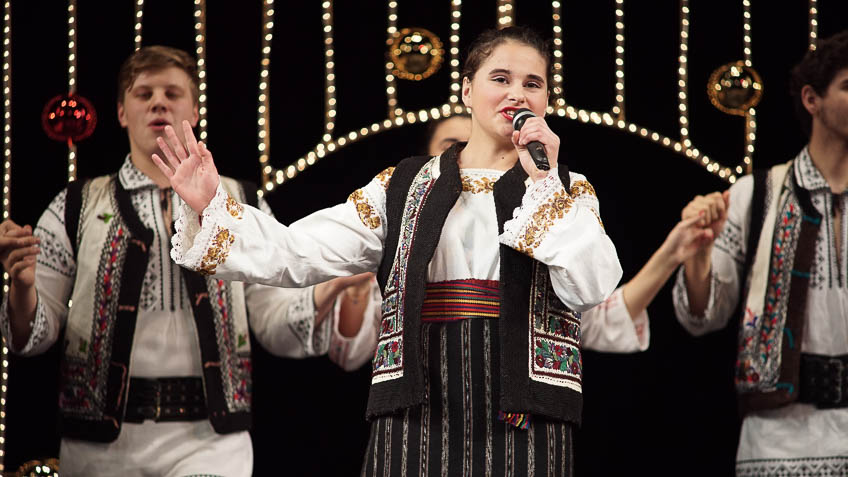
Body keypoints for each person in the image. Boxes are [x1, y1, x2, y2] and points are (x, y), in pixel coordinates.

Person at [155, 27, 700, 475]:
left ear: (546, 101)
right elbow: (298, 250)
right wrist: (213, 204)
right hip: (416, 409)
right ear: (466, 90)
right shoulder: (402, 186)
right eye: (500, 79)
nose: (517, 94)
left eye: (532, 84)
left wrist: (545, 180)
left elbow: (594, 284)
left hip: (525, 413)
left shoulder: (565, 190)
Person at [0, 46, 373, 476]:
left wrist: (329, 289)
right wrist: (22, 286)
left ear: (194, 112)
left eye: (172, 93)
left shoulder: (240, 201)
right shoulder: (76, 205)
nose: (158, 102)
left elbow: (273, 321)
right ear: (121, 112)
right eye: (144, 94)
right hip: (100, 445)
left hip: (210, 442)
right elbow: (32, 337)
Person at [673, 31, 848, 475]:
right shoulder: (757, 195)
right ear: (812, 99)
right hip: (779, 443)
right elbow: (702, 316)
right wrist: (698, 251)